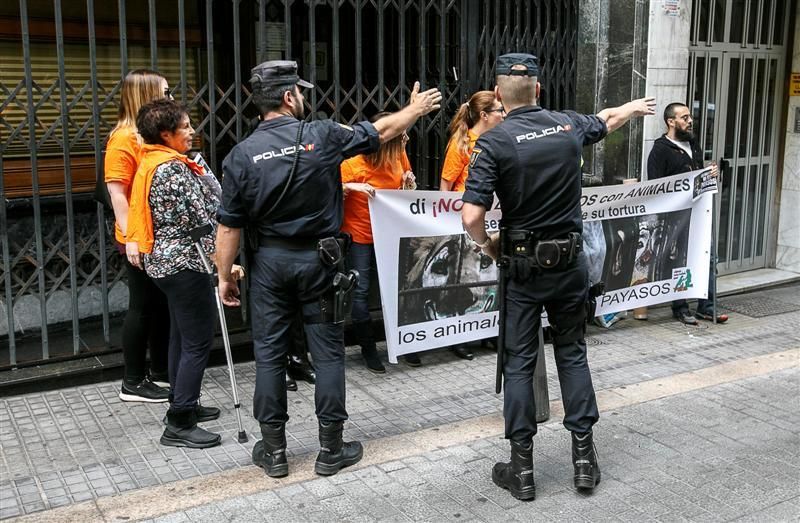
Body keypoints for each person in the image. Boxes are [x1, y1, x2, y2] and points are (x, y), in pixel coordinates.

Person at [215, 60, 441, 478]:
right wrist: (415, 110)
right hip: (320, 261)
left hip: (269, 266)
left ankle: (275, 451)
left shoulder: (240, 155)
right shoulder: (321, 135)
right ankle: (331, 450)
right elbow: (383, 132)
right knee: (328, 353)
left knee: (269, 356)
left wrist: (225, 276)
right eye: (299, 92)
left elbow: (228, 226)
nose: (304, 97)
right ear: (288, 97)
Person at [461, 53, 655, 500]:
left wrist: (488, 245)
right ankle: (584, 461)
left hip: (523, 269)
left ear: (497, 93)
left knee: (519, 363)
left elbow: (471, 214)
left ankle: (523, 471)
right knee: (572, 354)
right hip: (569, 266)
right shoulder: (567, 126)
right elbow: (605, 120)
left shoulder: (495, 142)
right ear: (539, 89)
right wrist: (631, 108)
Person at [127, 98, 243, 448]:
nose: (192, 131)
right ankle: (179, 422)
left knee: (181, 334)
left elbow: (212, 199)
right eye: (185, 127)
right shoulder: (171, 171)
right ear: (166, 134)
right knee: (196, 342)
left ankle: (183, 402)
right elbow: (203, 222)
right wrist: (224, 265)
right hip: (185, 263)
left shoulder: (161, 162)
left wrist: (199, 166)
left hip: (166, 263)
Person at [104, 69, 171, 403]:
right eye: (164, 92)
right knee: (142, 305)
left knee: (159, 303)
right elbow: (117, 193)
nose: (170, 99)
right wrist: (132, 237)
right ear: (146, 96)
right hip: (137, 234)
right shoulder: (123, 139)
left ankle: (160, 371)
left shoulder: (147, 136)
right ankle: (132, 380)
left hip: (156, 232)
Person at [341, 112, 419, 373]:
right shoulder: (352, 164)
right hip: (360, 235)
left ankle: (403, 344)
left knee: (399, 288)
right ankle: (368, 348)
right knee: (361, 292)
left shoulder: (398, 156)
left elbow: (407, 184)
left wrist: (409, 184)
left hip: (390, 233)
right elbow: (331, 193)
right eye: (401, 137)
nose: (406, 140)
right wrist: (350, 188)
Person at [647, 102, 728, 325]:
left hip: (699, 213)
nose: (690, 121)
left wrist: (709, 174)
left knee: (709, 257)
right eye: (684, 117)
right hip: (676, 217)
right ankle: (680, 307)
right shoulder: (660, 150)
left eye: (690, 117)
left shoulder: (693, 144)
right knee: (680, 261)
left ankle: (707, 305)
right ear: (670, 122)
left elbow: (697, 178)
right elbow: (655, 186)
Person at [440, 90, 505, 360]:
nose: (504, 114)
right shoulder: (462, 145)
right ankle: (459, 337)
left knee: (488, 279)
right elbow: (446, 184)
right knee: (463, 279)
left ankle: (488, 332)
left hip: (493, 217)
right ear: (484, 115)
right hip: (468, 220)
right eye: (499, 110)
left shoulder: (497, 141)